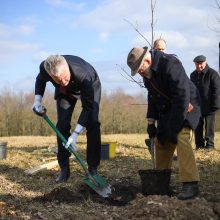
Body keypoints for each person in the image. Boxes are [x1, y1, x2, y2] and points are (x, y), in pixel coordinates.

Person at [127, 47, 201, 200]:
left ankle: (190, 184)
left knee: (181, 136)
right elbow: (152, 97)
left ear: (147, 61)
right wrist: (151, 122)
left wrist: (174, 127)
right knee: (161, 142)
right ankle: (161, 183)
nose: (141, 74)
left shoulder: (170, 64)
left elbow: (182, 95)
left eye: (140, 70)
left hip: (187, 105)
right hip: (168, 110)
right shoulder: (147, 74)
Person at [32, 54, 101, 183]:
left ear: (67, 68)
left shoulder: (84, 75)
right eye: (58, 80)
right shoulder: (45, 67)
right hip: (65, 92)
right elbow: (40, 79)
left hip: (89, 86)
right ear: (51, 75)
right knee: (62, 125)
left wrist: (75, 135)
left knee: (92, 122)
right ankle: (64, 168)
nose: (63, 81)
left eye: (64, 77)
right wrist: (37, 100)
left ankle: (93, 168)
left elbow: (87, 108)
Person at [190, 55, 220, 150]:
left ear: (205, 63)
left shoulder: (213, 74)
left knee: (209, 127)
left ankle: (210, 145)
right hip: (197, 105)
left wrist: (215, 105)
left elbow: (217, 90)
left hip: (210, 104)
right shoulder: (193, 75)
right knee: (197, 126)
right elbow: (191, 90)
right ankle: (199, 145)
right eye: (197, 64)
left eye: (201, 64)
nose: (199, 66)